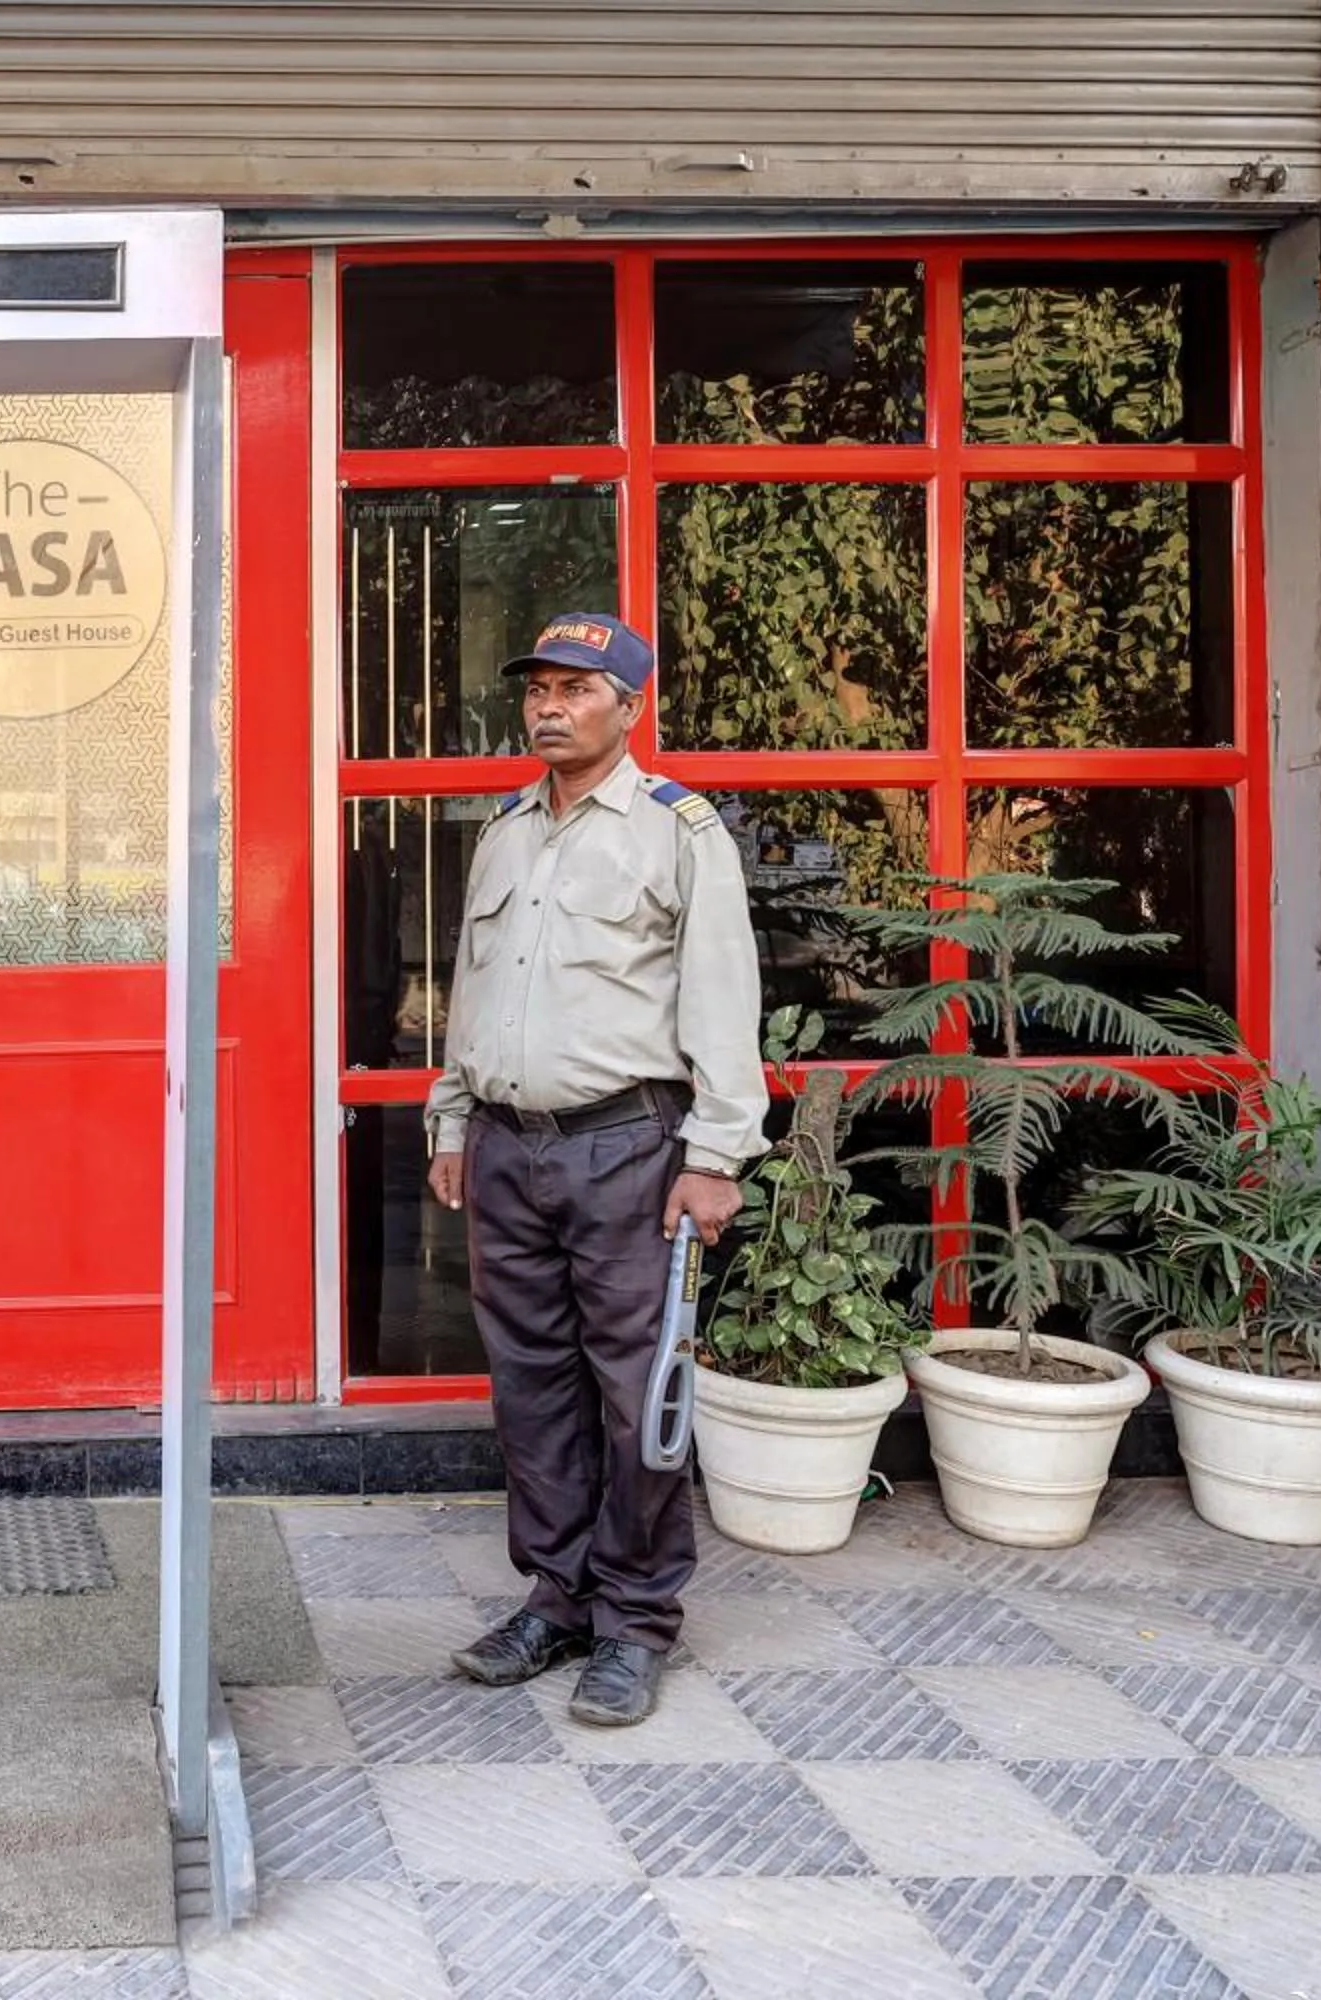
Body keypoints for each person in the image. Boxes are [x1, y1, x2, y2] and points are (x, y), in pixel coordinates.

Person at [426, 611, 766, 1727]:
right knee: (532, 1387)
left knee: (636, 1393)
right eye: (539, 688)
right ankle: (558, 1596)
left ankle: (634, 1621)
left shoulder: (680, 831)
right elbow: (472, 991)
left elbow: (722, 999)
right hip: (508, 1149)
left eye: (577, 688)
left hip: (628, 1145)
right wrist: (450, 1115)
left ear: (629, 706)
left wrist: (715, 1153)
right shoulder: (506, 832)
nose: (549, 705)